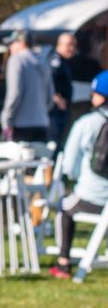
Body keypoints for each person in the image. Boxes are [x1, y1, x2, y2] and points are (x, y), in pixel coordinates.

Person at [50, 70, 108, 279]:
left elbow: (69, 166)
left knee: (63, 206)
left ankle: (63, 262)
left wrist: (74, 177)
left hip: (91, 196)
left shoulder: (87, 123)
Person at [1, 30, 53, 143]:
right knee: (39, 160)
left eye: (12, 43)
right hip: (42, 124)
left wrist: (6, 120)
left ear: (22, 43)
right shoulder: (44, 61)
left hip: (21, 125)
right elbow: (50, 97)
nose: (10, 48)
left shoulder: (17, 60)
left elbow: (14, 94)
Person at [48, 32, 76, 149]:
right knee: (53, 144)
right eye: (68, 45)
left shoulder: (64, 61)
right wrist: (56, 97)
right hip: (55, 112)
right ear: (59, 45)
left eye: (74, 45)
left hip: (61, 111)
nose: (72, 48)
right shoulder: (56, 60)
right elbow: (49, 79)